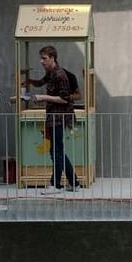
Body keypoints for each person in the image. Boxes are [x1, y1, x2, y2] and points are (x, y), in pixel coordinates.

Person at [25, 45, 82, 193]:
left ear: (52, 58)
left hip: (59, 117)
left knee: (56, 151)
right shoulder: (50, 73)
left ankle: (55, 184)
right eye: (41, 58)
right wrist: (29, 81)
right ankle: (74, 183)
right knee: (57, 150)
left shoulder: (60, 75)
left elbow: (64, 99)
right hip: (52, 116)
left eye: (44, 58)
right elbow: (41, 82)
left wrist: (43, 97)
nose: (41, 61)